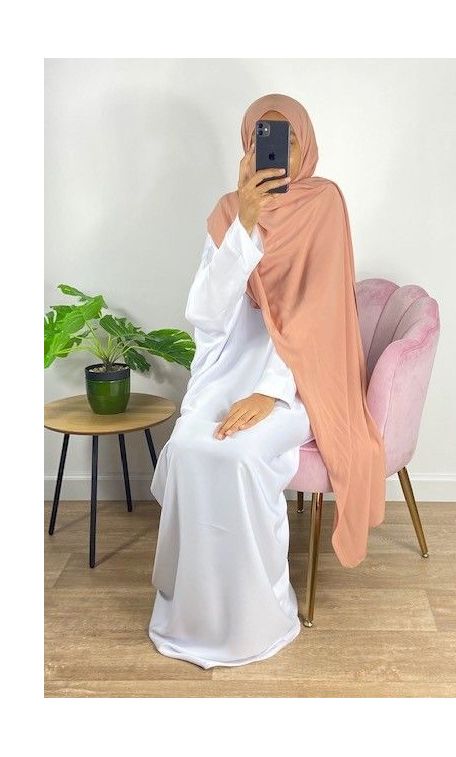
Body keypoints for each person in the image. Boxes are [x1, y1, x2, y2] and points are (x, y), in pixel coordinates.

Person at [148, 93, 386, 669]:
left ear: (305, 145)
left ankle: (257, 617)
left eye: (287, 138)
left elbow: (319, 312)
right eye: (262, 137)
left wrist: (271, 392)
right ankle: (194, 614)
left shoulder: (325, 203)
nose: (276, 149)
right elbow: (207, 313)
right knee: (190, 447)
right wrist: (245, 225)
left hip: (303, 377)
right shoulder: (230, 209)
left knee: (239, 456)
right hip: (231, 366)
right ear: (247, 145)